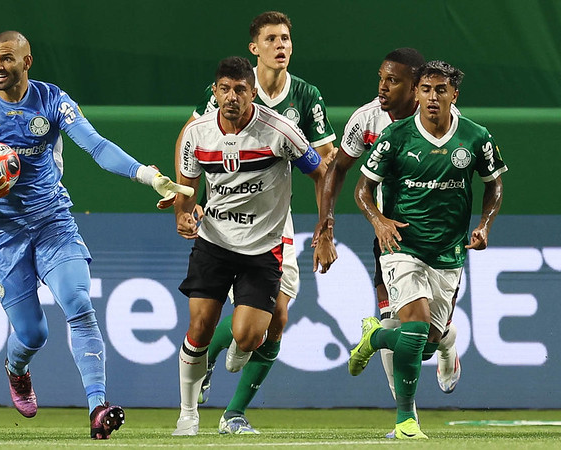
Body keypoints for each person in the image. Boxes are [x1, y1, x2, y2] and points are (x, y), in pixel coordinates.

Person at [0, 31, 191, 440]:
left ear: (27, 61)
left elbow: (96, 146)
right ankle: (16, 369)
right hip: (1, 233)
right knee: (33, 333)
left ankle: (98, 407)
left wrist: (146, 175)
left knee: (79, 303)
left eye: (7, 58)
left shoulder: (52, 100)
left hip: (52, 220)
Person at [159, 10, 337, 435]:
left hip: (274, 221)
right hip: (218, 228)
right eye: (272, 38)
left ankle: (235, 394)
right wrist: (185, 206)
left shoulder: (300, 102)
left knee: (273, 321)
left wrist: (325, 226)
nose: (281, 46)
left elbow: (323, 164)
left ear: (252, 91)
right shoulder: (213, 109)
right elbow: (192, 147)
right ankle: (196, 406)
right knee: (201, 323)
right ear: (254, 48)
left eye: (286, 38)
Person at [349, 60, 506, 439]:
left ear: (454, 95)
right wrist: (379, 222)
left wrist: (484, 225)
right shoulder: (396, 136)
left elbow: (494, 184)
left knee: (426, 344)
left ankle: (375, 337)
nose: (432, 97)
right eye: (425, 89)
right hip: (402, 246)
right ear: (416, 93)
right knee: (415, 328)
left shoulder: (475, 137)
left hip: (449, 251)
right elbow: (362, 189)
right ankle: (405, 422)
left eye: (440, 90)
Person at [312, 48, 463, 437]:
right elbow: (337, 170)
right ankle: (406, 417)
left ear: (416, 88)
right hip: (392, 239)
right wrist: (326, 227)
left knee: (424, 341)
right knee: (397, 322)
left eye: (393, 81)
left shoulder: (447, 121)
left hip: (440, 241)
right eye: (381, 78)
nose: (382, 87)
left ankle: (445, 341)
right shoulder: (366, 120)